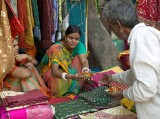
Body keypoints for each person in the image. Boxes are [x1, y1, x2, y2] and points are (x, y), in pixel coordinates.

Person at [100, 0, 160, 118]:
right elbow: (138, 74)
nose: (113, 31)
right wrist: (113, 77)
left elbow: (146, 89)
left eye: (111, 27)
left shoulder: (140, 40)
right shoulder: (149, 33)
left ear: (118, 24)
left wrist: (124, 93)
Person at [38, 25, 90, 97]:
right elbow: (54, 72)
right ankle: (58, 94)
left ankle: (72, 91)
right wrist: (71, 76)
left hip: (67, 72)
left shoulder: (79, 45)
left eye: (76, 39)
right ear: (65, 37)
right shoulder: (57, 49)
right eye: (71, 38)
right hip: (51, 72)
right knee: (58, 76)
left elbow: (84, 61)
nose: (74, 41)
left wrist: (86, 71)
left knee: (79, 61)